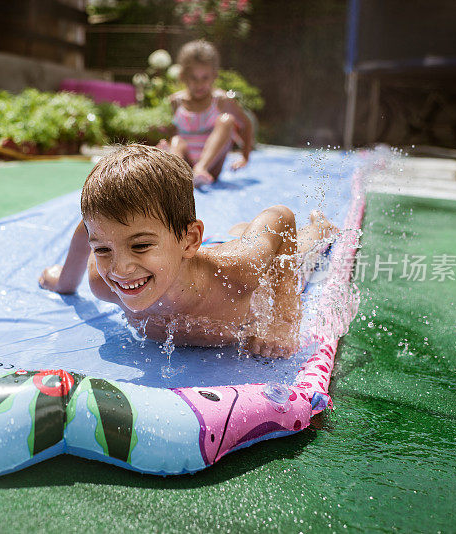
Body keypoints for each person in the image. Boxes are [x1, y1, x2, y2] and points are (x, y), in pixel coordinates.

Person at [39, 145, 337, 358]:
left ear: (190, 238)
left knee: (297, 257)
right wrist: (65, 280)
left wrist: (284, 319)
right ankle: (238, 231)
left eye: (140, 245)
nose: (120, 268)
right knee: (238, 236)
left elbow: (279, 217)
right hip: (181, 257)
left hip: (225, 262)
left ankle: (319, 228)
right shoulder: (105, 283)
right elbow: (87, 228)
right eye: (103, 249)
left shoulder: (237, 272)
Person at [157, 39, 254, 187]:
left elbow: (246, 125)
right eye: (193, 78)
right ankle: (176, 175)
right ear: (183, 76)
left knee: (226, 120)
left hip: (211, 168)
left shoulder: (221, 100)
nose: (199, 84)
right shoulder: (175, 102)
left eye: (205, 78)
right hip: (184, 164)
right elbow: (168, 133)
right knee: (176, 141)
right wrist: (163, 145)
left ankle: (200, 168)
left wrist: (245, 157)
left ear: (214, 76)